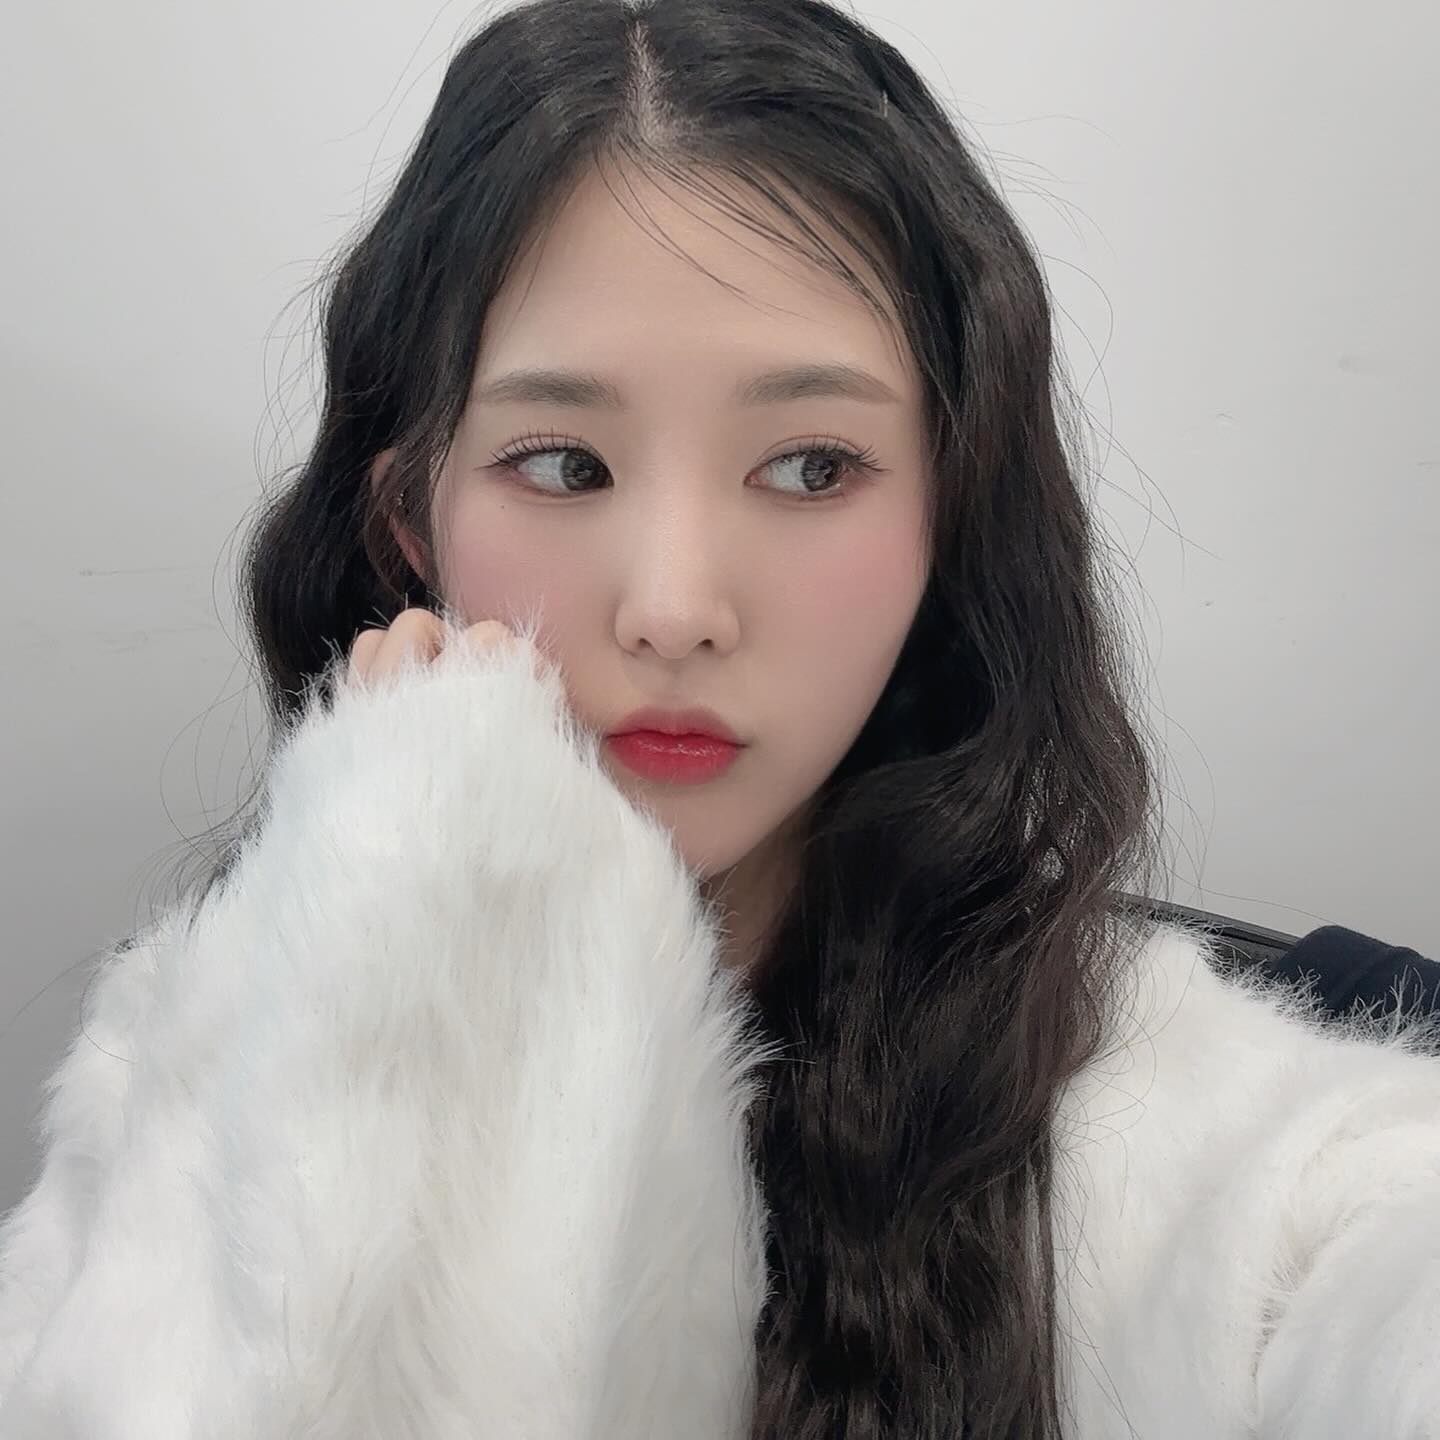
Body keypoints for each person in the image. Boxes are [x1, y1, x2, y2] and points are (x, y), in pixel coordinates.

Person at [1, 0, 1437, 1435]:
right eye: (563, 465)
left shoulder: (1227, 1139)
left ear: (951, 518)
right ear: (408, 529)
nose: (676, 609)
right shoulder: (177, 1095)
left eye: (812, 467)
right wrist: (391, 981)